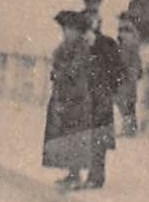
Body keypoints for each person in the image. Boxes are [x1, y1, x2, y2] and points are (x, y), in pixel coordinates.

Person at [42, 10, 96, 190]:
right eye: (64, 29)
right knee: (65, 135)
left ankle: (77, 175)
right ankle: (72, 173)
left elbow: (73, 72)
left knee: (75, 135)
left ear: (78, 31)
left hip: (77, 98)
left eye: (69, 29)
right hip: (65, 96)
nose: (65, 33)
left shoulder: (82, 48)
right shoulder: (65, 47)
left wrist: (60, 72)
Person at [82, 14, 125, 188]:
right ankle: (90, 176)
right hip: (88, 99)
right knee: (88, 138)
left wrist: (109, 91)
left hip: (101, 99)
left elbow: (118, 70)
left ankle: (96, 177)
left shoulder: (107, 44)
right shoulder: (84, 47)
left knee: (98, 139)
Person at [115, 12, 143, 138]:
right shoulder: (131, 36)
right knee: (128, 102)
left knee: (125, 102)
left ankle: (129, 128)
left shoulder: (128, 36)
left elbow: (127, 57)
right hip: (128, 73)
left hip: (127, 74)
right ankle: (130, 128)